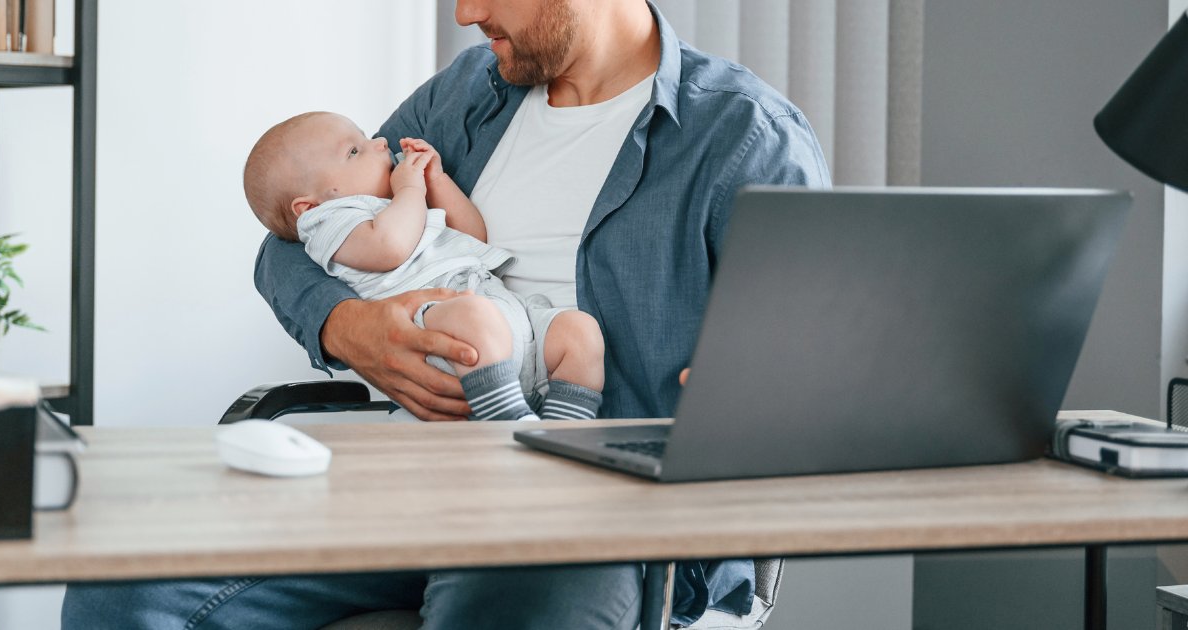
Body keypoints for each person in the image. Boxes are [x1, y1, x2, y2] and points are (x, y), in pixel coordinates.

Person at [62, 0, 830, 627]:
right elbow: (292, 236)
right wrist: (345, 327)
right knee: (122, 588)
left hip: (607, 516)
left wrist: (760, 394)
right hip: (420, 476)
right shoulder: (469, 93)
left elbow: (816, 372)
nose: (466, 12)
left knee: (515, 601)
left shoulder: (741, 138)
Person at [244, 111, 607, 422]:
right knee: (474, 316)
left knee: (579, 331)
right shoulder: (331, 222)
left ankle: (564, 430)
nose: (381, 143)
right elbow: (389, 247)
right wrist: (411, 191)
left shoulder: (399, 205)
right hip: (443, 333)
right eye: (355, 151)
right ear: (309, 207)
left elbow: (474, 236)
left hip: (511, 326)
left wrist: (436, 180)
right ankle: (504, 423)